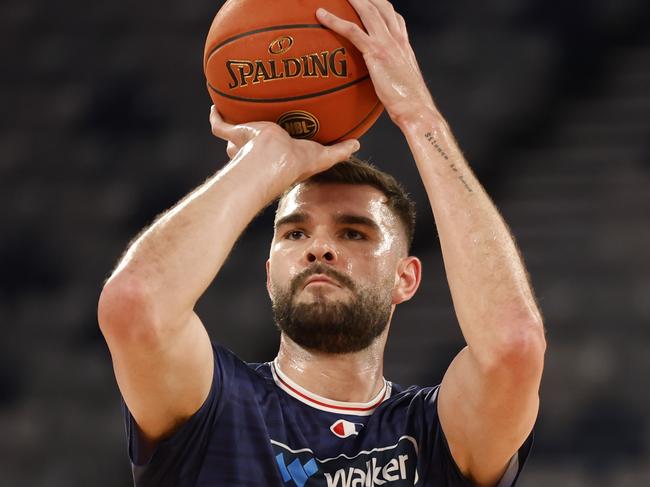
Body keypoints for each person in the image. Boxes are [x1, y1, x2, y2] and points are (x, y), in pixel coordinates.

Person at [98, 1, 546, 486]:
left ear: (406, 277)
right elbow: (134, 305)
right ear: (270, 274)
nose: (319, 248)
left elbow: (513, 347)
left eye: (354, 232)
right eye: (295, 232)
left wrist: (421, 119)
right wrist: (259, 166)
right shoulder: (216, 406)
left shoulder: (433, 435)